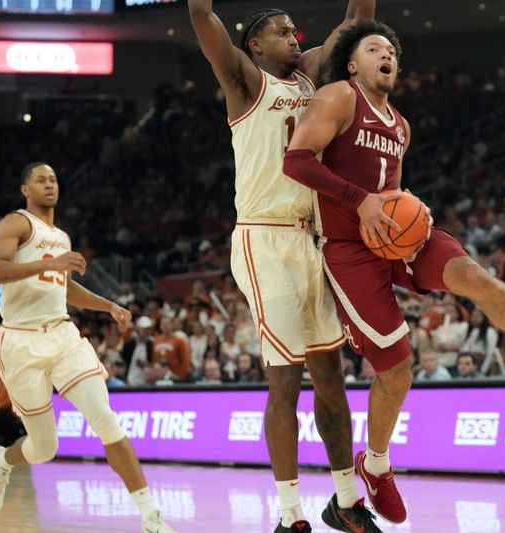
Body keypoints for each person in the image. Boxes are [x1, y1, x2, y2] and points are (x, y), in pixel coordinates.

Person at [282, 20, 505, 524]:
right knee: (398, 368)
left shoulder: (400, 124)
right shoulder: (338, 97)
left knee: (474, 275)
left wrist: (405, 211)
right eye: (375, 48)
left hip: (395, 237)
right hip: (349, 246)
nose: (386, 54)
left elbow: (389, 192)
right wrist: (362, 203)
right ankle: (376, 467)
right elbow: (297, 161)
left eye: (391, 49)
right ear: (354, 63)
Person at [188, 0, 382, 530]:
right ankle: (291, 516)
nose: (294, 37)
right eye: (280, 32)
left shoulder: (310, 78)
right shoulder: (245, 81)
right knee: (285, 381)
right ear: (255, 45)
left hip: (311, 238)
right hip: (263, 237)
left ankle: (345, 504)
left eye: (295, 31)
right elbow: (203, 18)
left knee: (331, 379)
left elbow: (355, 21)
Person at [0, 162, 174, 532]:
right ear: (25, 189)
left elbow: (64, 287)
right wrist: (55, 262)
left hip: (62, 335)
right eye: (41, 180)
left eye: (54, 179)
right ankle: (0, 461)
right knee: (44, 449)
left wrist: (108, 305)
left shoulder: (62, 237)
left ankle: (150, 516)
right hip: (20, 341)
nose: (50, 185)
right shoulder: (17, 223)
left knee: (105, 419)